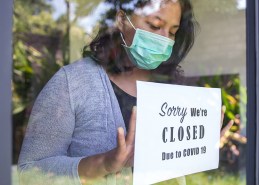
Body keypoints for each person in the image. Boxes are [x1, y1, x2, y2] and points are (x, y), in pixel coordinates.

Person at [18, 0, 233, 184]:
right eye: (154, 25)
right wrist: (101, 164)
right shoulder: (72, 83)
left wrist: (198, 148)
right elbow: (29, 171)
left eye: (173, 32)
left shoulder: (171, 87)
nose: (164, 39)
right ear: (121, 20)